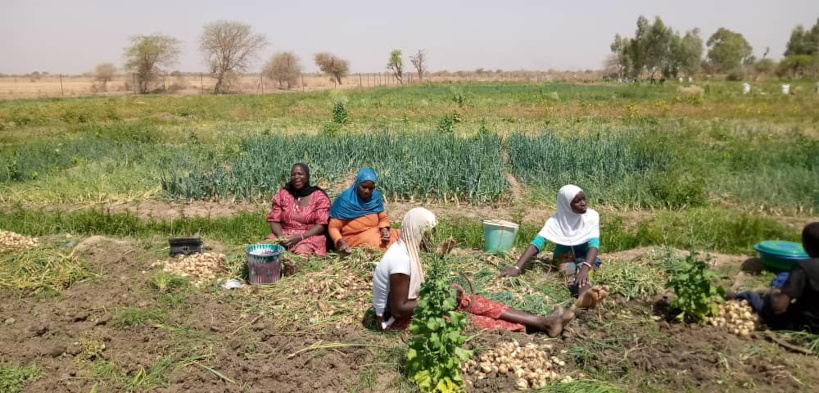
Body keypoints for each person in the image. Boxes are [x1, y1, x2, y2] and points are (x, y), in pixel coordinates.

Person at [372, 207, 576, 336]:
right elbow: (399, 309)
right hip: (396, 322)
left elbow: (412, 292)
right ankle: (540, 326)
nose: (432, 240)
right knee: (466, 320)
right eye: (429, 234)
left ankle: (542, 321)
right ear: (418, 232)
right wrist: (439, 298)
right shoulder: (400, 261)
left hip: (409, 309)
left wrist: (444, 291)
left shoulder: (406, 251)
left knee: (470, 301)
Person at [503, 184, 609, 308]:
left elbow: (594, 245)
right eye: (577, 201)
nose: (583, 203)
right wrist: (517, 267)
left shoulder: (591, 216)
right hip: (563, 256)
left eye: (584, 199)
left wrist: (585, 268)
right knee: (571, 274)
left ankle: (586, 297)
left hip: (587, 256)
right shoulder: (555, 221)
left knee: (583, 272)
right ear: (566, 204)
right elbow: (536, 244)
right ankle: (585, 298)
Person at [733, 222, 819, 332]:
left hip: (806, 325)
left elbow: (779, 308)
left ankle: (733, 296)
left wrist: (774, 291)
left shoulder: (804, 267)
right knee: (785, 276)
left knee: (752, 296)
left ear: (805, 246)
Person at [265, 163, 331, 256]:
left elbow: (322, 224)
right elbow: (274, 219)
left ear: (307, 176)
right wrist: (281, 237)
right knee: (265, 250)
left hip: (308, 237)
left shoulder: (319, 197)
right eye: (293, 174)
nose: (296, 177)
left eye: (300, 174)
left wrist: (301, 237)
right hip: (285, 235)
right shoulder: (283, 194)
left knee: (301, 253)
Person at [328, 168, 399, 252]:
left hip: (376, 231)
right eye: (364, 187)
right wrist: (339, 240)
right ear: (357, 183)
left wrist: (384, 229)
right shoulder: (345, 200)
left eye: (370, 188)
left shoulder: (375, 197)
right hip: (355, 237)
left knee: (403, 234)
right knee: (379, 242)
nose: (367, 191)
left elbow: (383, 217)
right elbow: (333, 227)